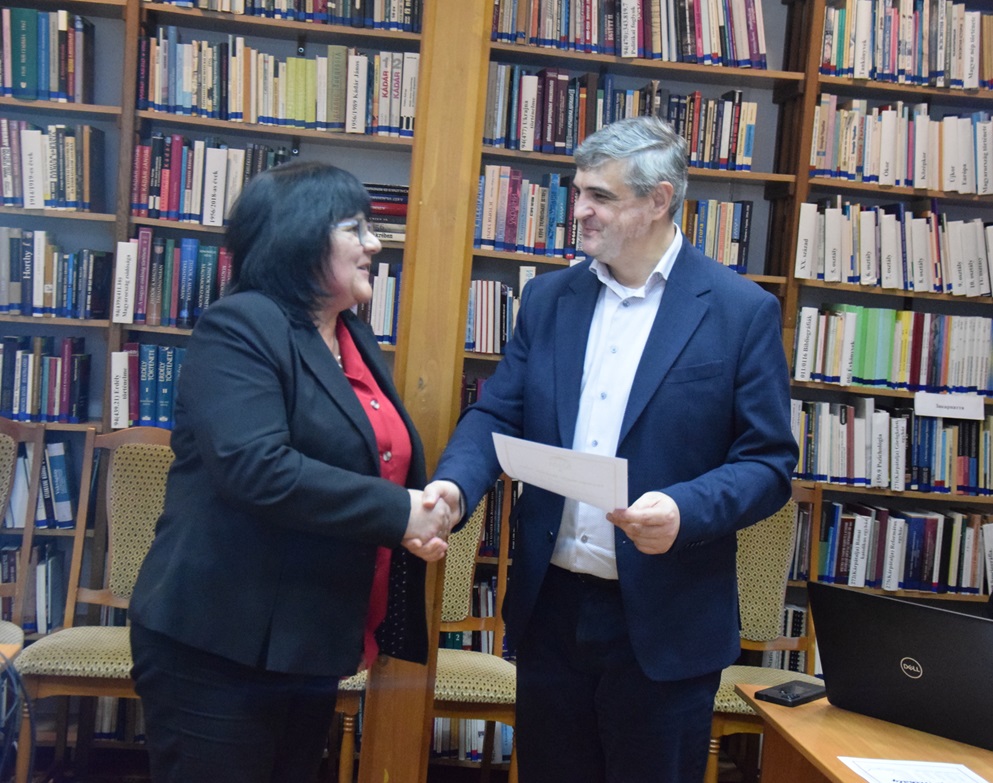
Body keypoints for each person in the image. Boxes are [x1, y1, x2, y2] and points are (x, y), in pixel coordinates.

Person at [424, 116, 799, 782]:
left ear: (658, 200)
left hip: (664, 622)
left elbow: (767, 465)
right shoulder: (548, 299)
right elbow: (497, 414)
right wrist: (455, 486)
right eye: (578, 193)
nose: (579, 211)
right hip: (552, 613)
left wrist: (684, 510)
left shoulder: (739, 311)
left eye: (599, 195)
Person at [129, 161, 453, 783]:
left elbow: (372, 460)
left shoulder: (351, 337)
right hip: (218, 640)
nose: (374, 244)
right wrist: (400, 513)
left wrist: (418, 513)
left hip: (309, 640)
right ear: (300, 234)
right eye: (355, 228)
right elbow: (256, 468)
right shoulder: (240, 325)